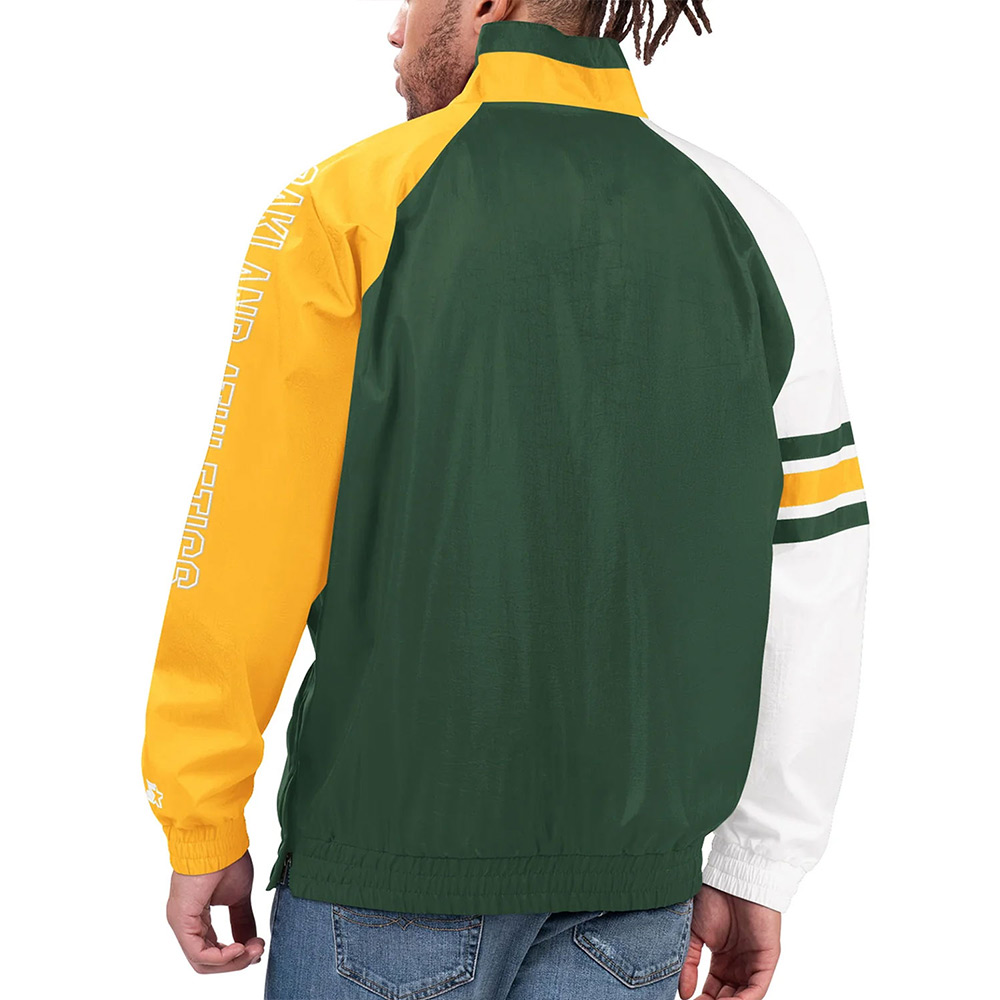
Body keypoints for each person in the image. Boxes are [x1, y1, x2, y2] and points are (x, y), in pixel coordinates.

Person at [140, 2, 870, 998]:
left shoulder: (347, 203)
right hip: (636, 891)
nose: (393, 29)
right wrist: (759, 862)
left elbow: (249, 543)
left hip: (385, 873)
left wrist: (201, 814)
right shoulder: (755, 225)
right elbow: (814, 559)